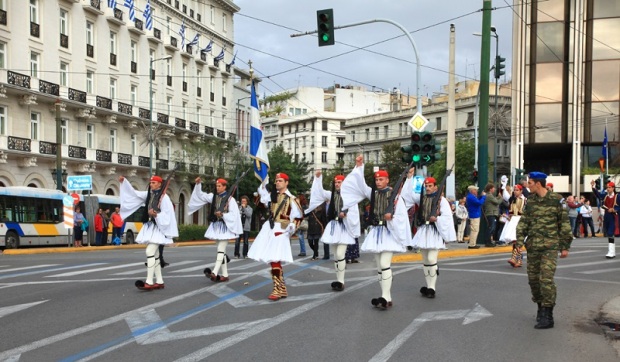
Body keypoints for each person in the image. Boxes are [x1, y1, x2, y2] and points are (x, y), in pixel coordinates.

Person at [340, 155, 411, 309]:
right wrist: (359, 166)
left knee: (385, 264)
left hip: (389, 232)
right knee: (380, 267)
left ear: (387, 180)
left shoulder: (395, 196)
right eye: (377, 180)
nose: (378, 182)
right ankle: (388, 297)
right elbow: (360, 183)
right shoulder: (372, 193)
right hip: (376, 232)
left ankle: (384, 297)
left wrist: (391, 217)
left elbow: (401, 216)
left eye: (381, 180)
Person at [516, 171, 571, 329]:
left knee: (545, 280)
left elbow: (564, 223)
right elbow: (524, 222)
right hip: (533, 247)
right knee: (533, 281)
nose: (528, 185)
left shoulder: (556, 200)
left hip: (550, 247)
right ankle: (540, 308)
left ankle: (548, 314)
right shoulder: (531, 201)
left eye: (530, 183)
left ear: (538, 184)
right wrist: (519, 241)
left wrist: (565, 246)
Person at [248, 172, 303, 301]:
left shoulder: (292, 199)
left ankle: (278, 289)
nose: (277, 182)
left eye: (280, 180)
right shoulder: (271, 196)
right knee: (273, 259)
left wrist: (292, 227)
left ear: (286, 182)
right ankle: (281, 288)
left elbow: (299, 216)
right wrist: (263, 179)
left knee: (275, 259)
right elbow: (261, 196)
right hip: (270, 228)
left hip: (281, 230)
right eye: (276, 180)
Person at [402, 171, 456, 299]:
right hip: (424, 230)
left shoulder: (441, 200)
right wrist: (409, 178)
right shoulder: (422, 198)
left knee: (432, 259)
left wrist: (437, 219)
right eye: (426, 186)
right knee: (426, 260)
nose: (427, 188)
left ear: (436, 187)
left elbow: (447, 217)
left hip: (435, 231)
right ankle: (428, 286)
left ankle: (432, 287)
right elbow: (407, 195)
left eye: (430, 186)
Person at [119, 175, 179, 290]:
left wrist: (156, 215)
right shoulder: (149, 195)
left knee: (149, 251)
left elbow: (168, 214)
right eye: (151, 183)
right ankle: (160, 281)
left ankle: (149, 281)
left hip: (159, 228)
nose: (151, 184)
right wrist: (124, 182)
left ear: (160, 184)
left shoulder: (164, 198)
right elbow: (134, 194)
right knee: (155, 255)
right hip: (151, 227)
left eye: (154, 183)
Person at [306, 171, 361, 291]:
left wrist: (346, 215)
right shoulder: (331, 195)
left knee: (341, 254)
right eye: (336, 182)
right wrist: (318, 178)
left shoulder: (350, 196)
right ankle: (338, 279)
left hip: (344, 226)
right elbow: (318, 192)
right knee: (336, 256)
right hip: (334, 226)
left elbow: (354, 213)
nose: (337, 184)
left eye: (339, 182)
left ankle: (341, 280)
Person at [188, 177, 243, 282]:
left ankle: (214, 272)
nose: (217, 188)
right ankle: (225, 275)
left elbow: (234, 215)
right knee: (221, 251)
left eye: (219, 186)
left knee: (220, 250)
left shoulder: (230, 200)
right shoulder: (214, 197)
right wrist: (198, 184)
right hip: (216, 227)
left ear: (224, 187)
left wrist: (223, 215)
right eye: (216, 186)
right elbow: (200, 195)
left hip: (225, 227)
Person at [591, 180, 620, 258]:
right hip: (607, 216)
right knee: (609, 234)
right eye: (607, 187)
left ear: (613, 188)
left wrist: (615, 209)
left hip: (615, 217)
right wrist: (593, 186)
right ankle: (612, 252)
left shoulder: (618, 196)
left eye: (609, 187)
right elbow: (598, 195)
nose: (608, 189)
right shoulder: (605, 196)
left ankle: (611, 252)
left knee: (611, 233)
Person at [500, 184, 526, 267]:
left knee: (517, 240)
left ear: (521, 191)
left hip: (519, 220)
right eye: (514, 190)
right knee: (515, 241)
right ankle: (518, 260)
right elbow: (511, 211)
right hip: (513, 220)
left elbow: (522, 211)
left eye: (517, 190)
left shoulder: (524, 199)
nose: (515, 191)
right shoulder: (513, 199)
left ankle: (515, 258)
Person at [483, 183, 503, 247]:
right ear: (490, 189)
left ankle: (488, 241)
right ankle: (488, 242)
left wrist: (498, 197)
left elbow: (494, 200)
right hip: (491, 213)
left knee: (491, 228)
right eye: (493, 188)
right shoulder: (489, 195)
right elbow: (497, 202)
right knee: (491, 228)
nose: (494, 189)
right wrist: (501, 198)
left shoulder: (489, 195)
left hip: (491, 213)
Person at [465, 185, 485, 249]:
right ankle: (472, 244)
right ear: (472, 190)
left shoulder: (471, 197)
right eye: (475, 190)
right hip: (474, 215)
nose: (476, 191)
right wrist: (483, 197)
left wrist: (481, 196)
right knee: (475, 230)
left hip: (474, 214)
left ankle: (473, 243)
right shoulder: (471, 197)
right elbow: (479, 203)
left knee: (474, 230)